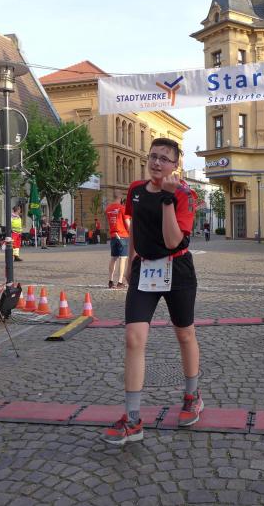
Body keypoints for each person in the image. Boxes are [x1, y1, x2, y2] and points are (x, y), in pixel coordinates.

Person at [101, 137, 201, 446]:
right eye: (153, 156)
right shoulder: (136, 190)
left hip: (177, 267)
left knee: (185, 334)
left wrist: (168, 199)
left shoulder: (185, 195)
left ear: (175, 165)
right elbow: (135, 226)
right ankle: (132, 418)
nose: (156, 162)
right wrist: (131, 261)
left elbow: (172, 240)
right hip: (145, 270)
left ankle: (192, 395)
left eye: (164, 158)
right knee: (133, 338)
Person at [105, 195, 131, 289]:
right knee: (123, 259)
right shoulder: (123, 208)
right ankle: (120, 282)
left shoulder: (108, 209)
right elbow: (128, 224)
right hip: (123, 236)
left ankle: (110, 281)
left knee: (113, 258)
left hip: (113, 236)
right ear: (120, 199)